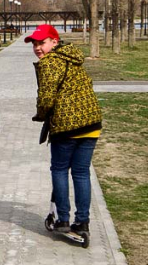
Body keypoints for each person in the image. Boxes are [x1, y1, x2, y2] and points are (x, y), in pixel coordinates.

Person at [25, 24, 102, 245]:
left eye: (42, 43)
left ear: (54, 42)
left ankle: (64, 220)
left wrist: (41, 114)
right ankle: (83, 222)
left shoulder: (49, 63)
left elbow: (47, 97)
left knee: (59, 170)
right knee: (81, 173)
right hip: (91, 123)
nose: (38, 48)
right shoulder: (73, 58)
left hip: (67, 126)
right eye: (35, 44)